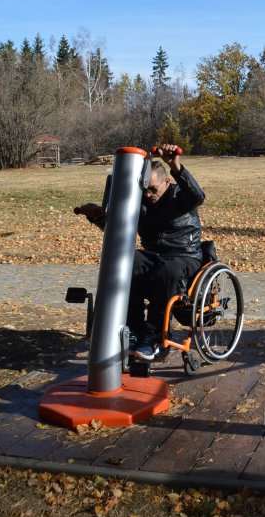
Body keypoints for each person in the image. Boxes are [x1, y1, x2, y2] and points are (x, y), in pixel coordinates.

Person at [75, 144, 205, 361]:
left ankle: (155, 338)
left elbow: (198, 196)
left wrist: (176, 166)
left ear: (167, 182)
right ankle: (134, 331)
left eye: (153, 189)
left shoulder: (179, 197)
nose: (148, 194)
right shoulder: (141, 202)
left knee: (166, 271)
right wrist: (97, 216)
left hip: (185, 255)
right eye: (145, 188)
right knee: (126, 261)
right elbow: (118, 229)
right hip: (154, 255)